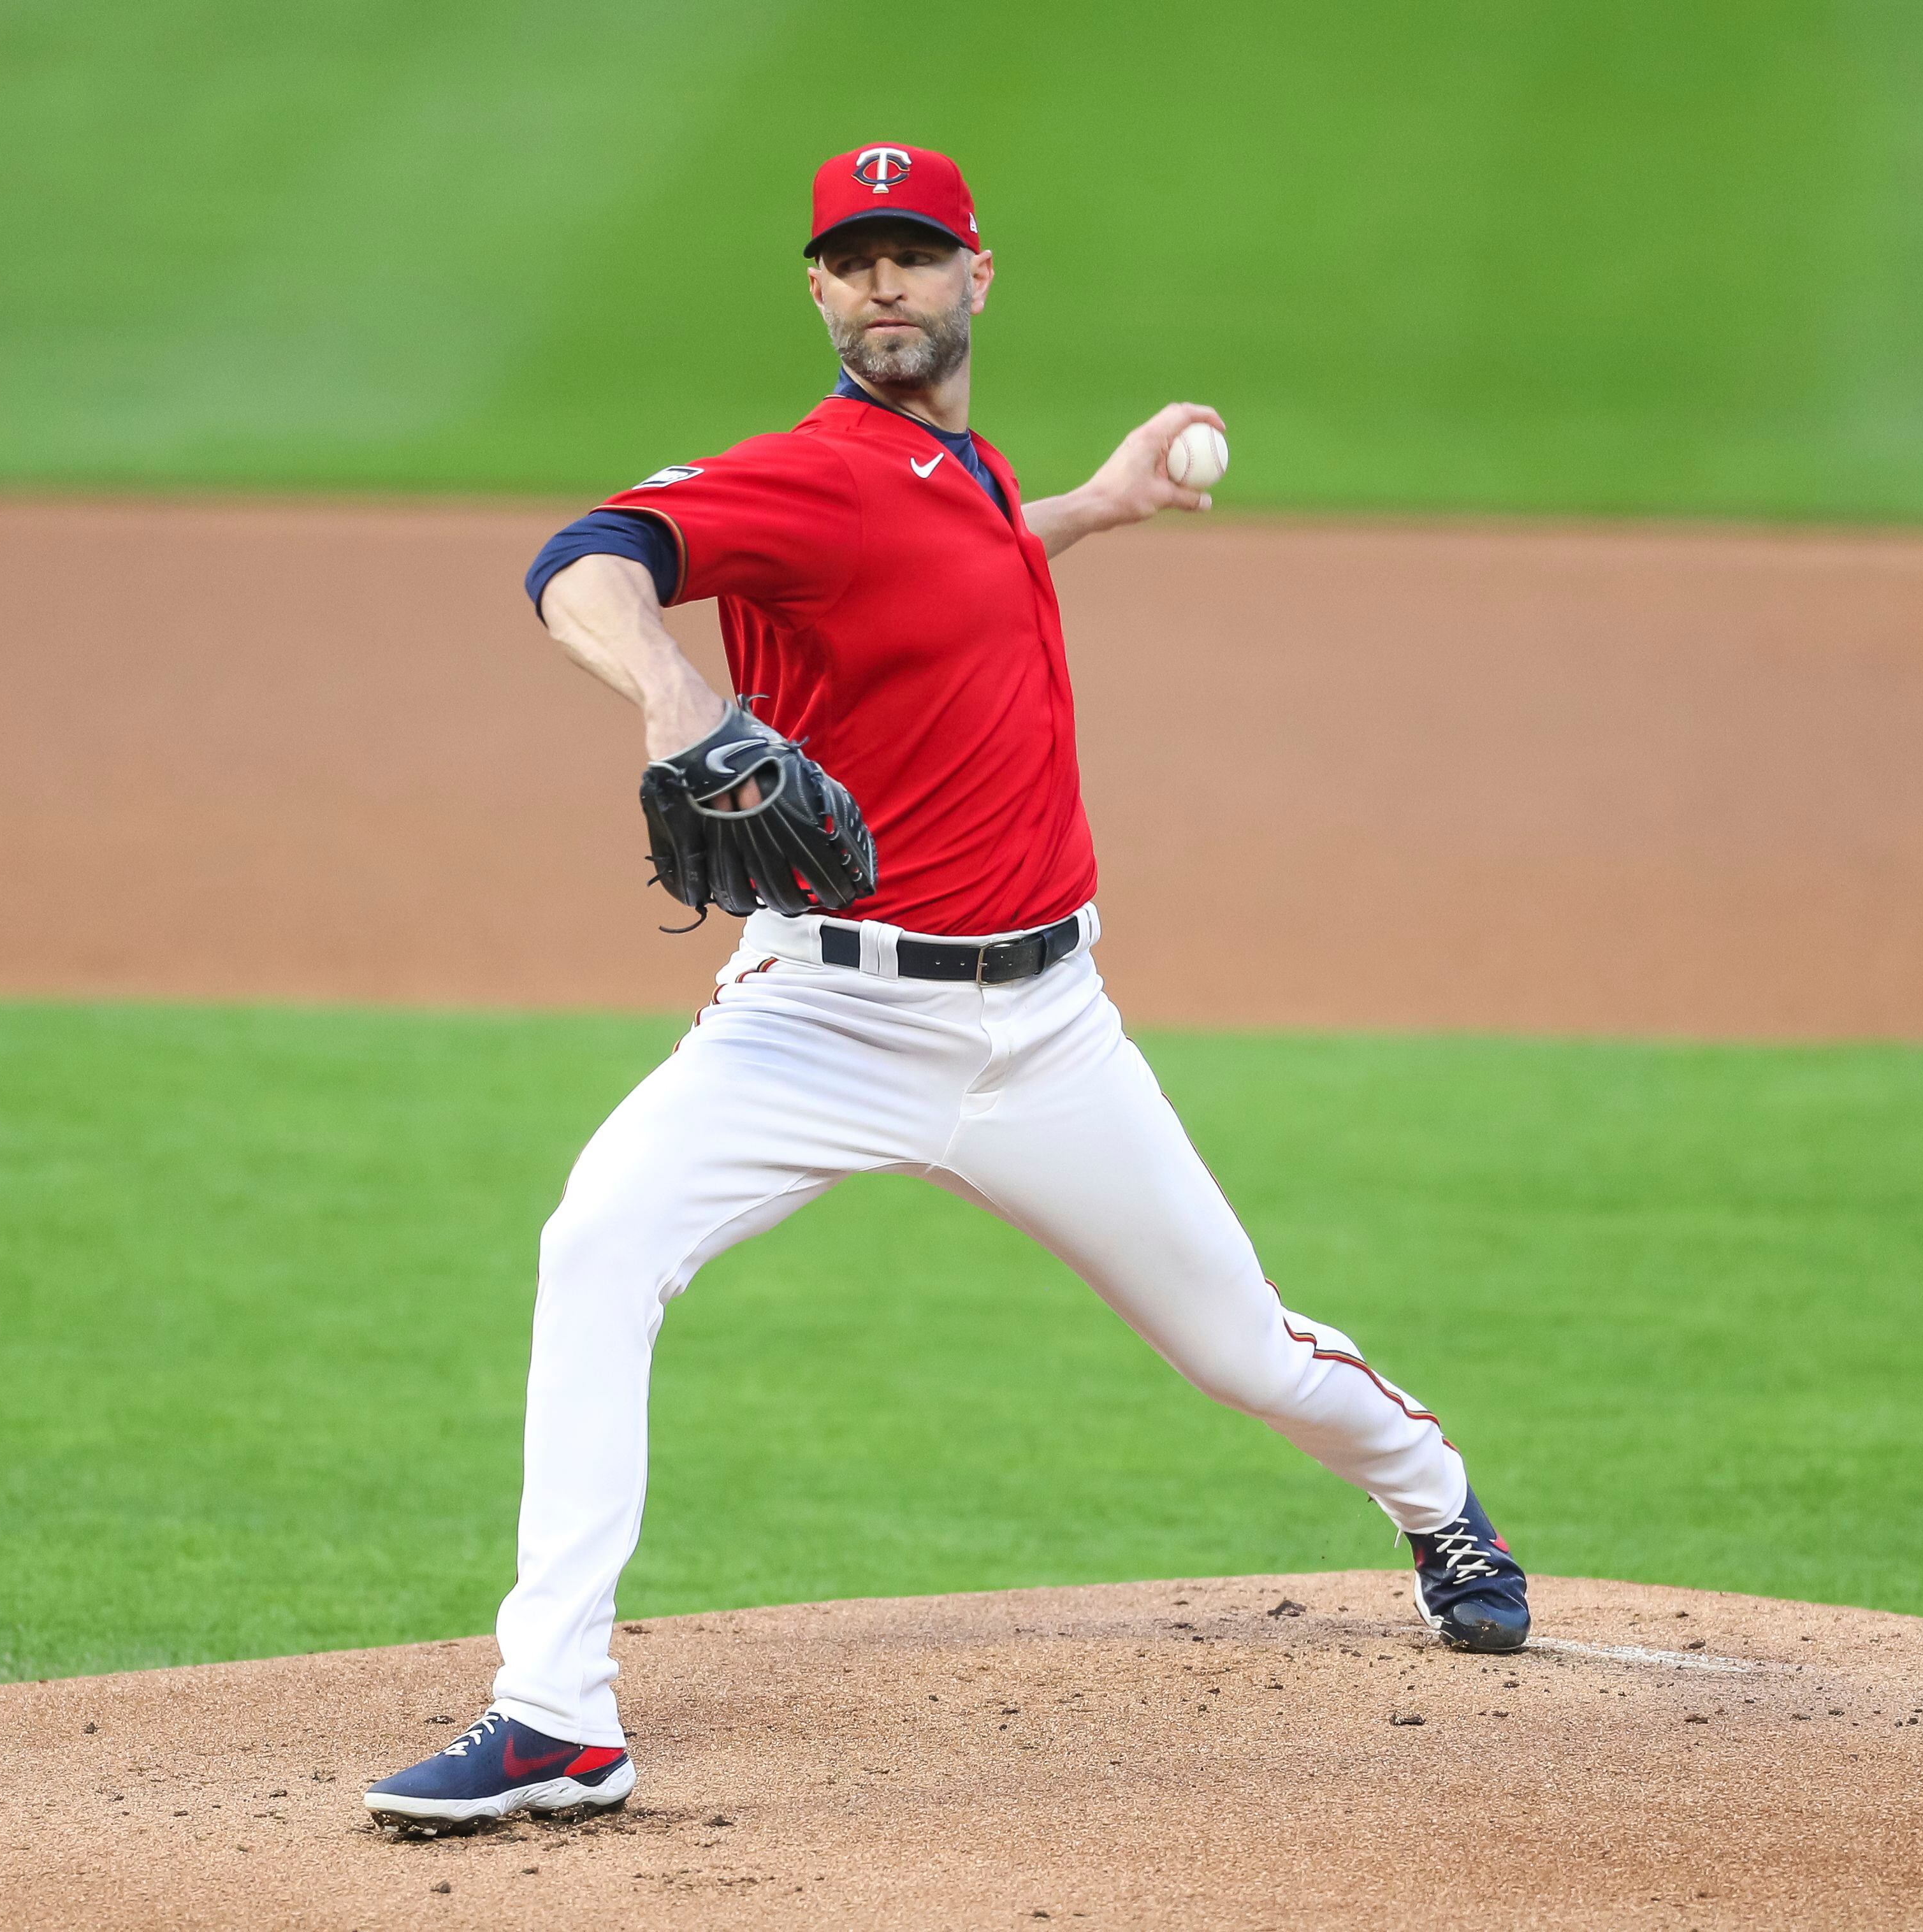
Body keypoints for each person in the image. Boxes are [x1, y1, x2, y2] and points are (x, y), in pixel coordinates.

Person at [366, 142, 1528, 1831]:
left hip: (1048, 1036)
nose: (885, 282)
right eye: (854, 260)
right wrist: (672, 697)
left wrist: (1095, 508)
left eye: (915, 253)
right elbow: (586, 558)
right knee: (597, 1244)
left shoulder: (956, 474)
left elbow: (961, 567)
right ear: (821, 295)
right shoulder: (811, 476)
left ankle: (1436, 1504)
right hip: (819, 1024)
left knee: (1242, 1352)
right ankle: (555, 1717)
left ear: (978, 275)